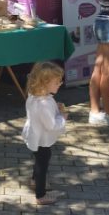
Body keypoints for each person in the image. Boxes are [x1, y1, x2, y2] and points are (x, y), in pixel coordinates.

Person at [21, 62, 67, 205]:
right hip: (41, 137)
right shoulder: (44, 102)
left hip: (35, 134)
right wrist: (62, 117)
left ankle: (35, 181)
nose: (60, 84)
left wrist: (56, 108)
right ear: (45, 82)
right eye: (57, 82)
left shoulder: (35, 96)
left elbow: (44, 114)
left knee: (39, 159)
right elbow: (51, 125)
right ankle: (40, 195)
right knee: (43, 162)